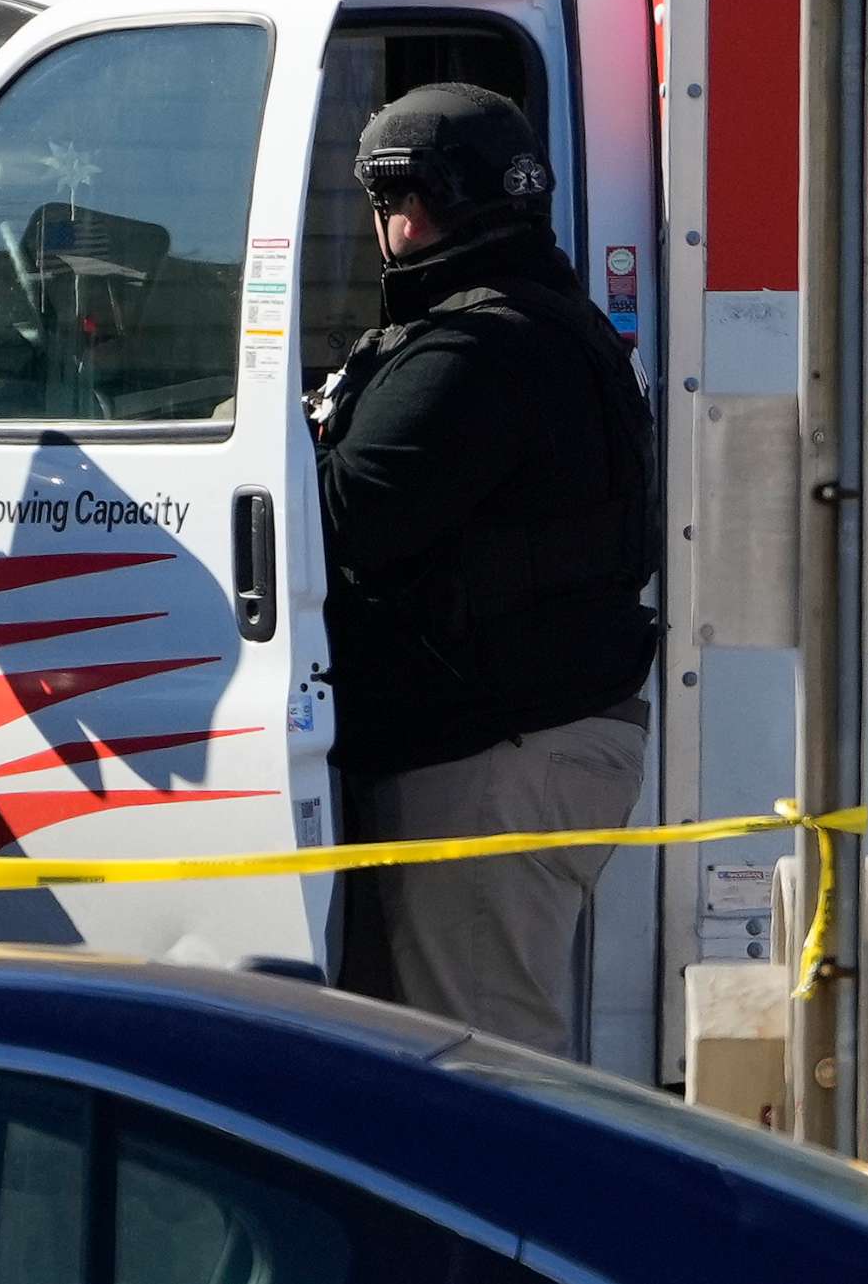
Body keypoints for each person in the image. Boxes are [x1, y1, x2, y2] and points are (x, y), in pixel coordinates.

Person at [312, 81, 659, 1056]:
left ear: (414, 207)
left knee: (486, 1074)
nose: (386, 227)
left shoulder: (472, 350)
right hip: (509, 742)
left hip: (495, 755)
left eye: (386, 205)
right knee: (427, 1070)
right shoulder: (544, 325)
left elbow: (340, 520)